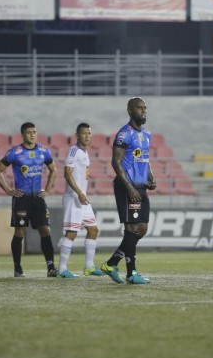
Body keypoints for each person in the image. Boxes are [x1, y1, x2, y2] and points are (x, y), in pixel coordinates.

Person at [99, 97, 156, 285]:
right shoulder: (124, 134)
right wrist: (129, 187)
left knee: (142, 229)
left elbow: (144, 160)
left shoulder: (147, 134)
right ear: (130, 110)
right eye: (139, 108)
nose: (144, 111)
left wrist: (150, 177)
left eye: (145, 108)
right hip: (127, 187)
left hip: (140, 187)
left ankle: (112, 263)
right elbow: (116, 162)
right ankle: (131, 273)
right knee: (131, 229)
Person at [0, 122, 58, 278]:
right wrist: (9, 190)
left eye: (34, 132)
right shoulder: (15, 152)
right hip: (21, 199)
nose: (32, 134)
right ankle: (18, 267)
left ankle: (51, 267)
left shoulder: (44, 151)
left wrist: (47, 189)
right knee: (20, 231)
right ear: (23, 134)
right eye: (29, 132)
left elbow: (53, 170)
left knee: (45, 230)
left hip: (38, 198)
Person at [57, 123, 104, 278]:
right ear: (77, 135)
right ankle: (62, 269)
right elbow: (67, 173)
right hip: (73, 198)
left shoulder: (85, 152)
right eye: (84, 133)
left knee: (93, 230)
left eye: (89, 133)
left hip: (82, 199)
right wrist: (78, 192)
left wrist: (81, 194)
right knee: (72, 232)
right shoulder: (74, 151)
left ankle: (89, 267)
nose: (87, 136)